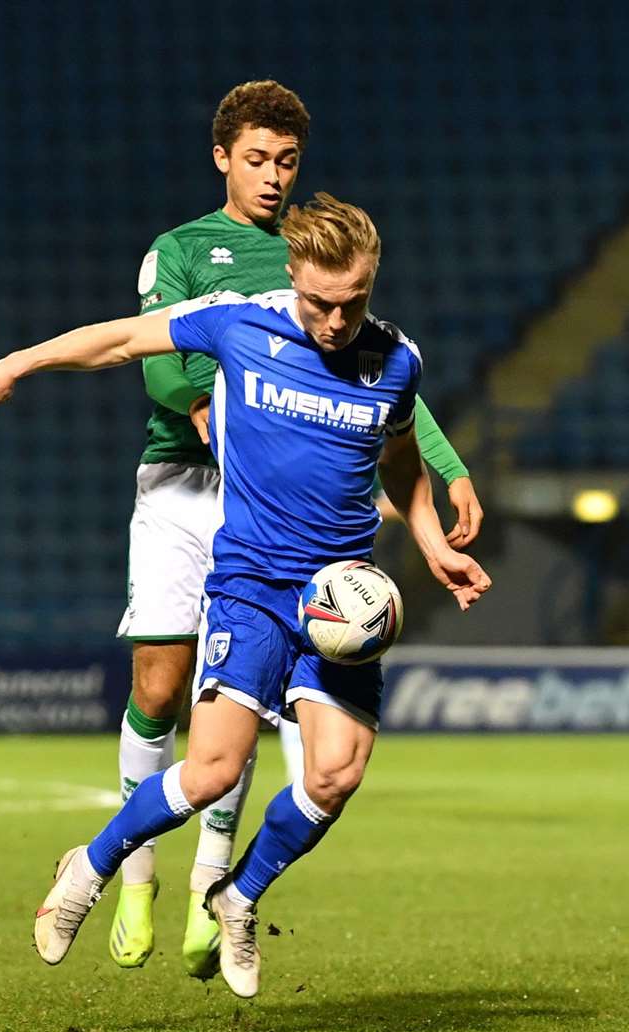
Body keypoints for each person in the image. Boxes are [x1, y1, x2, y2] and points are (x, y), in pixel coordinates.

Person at [0, 193, 491, 997]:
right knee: (213, 770)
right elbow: (121, 339)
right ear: (293, 275)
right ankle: (90, 867)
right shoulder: (238, 321)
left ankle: (237, 895)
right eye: (320, 302)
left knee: (334, 777)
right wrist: (20, 362)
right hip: (252, 582)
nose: (334, 320)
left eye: (353, 301)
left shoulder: (397, 363)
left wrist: (430, 547)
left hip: (337, 598)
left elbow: (398, 465)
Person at [111, 80, 483, 976]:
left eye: (287, 161)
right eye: (256, 159)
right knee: (161, 689)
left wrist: (447, 466)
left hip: (286, 499)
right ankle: (135, 875)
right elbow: (163, 368)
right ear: (221, 159)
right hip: (187, 487)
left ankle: (215, 881)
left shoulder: (316, 262)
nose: (274, 177)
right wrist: (221, 417)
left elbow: (383, 389)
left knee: (248, 695)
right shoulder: (183, 249)